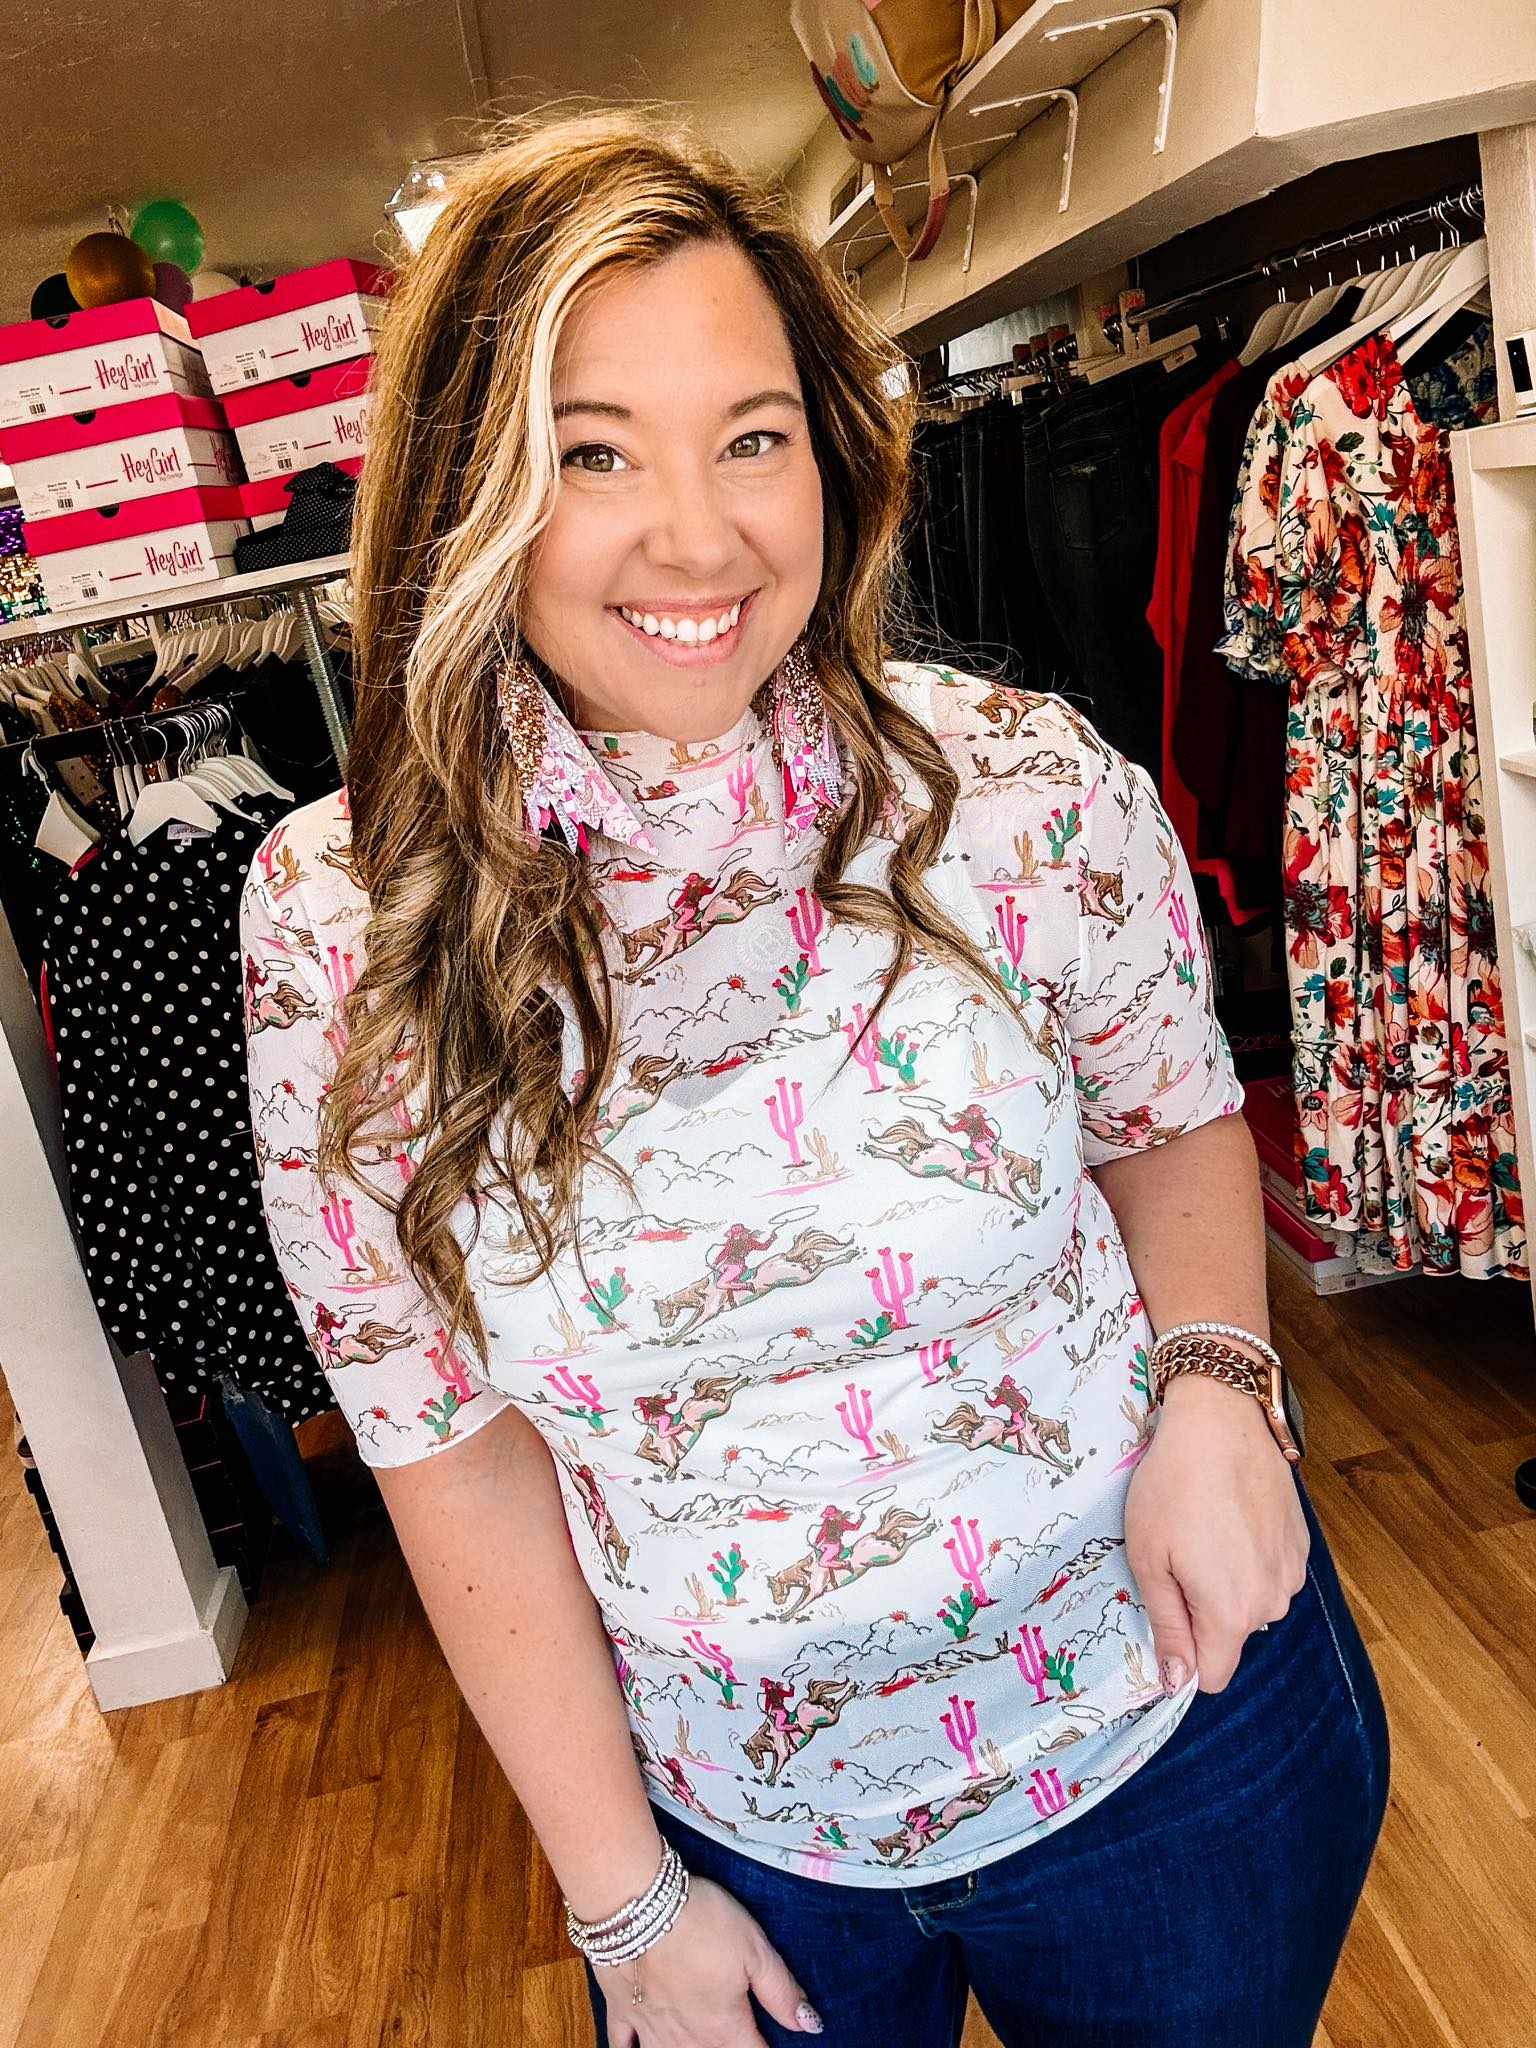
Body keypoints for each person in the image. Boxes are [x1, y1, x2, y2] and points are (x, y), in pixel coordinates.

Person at [240, 110, 1390, 2048]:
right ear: (468, 482)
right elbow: (442, 1438)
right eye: (592, 450)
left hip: (1171, 1732)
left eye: (750, 436)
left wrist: (1218, 1387)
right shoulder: (339, 926)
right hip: (732, 1843)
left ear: (833, 455)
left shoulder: (1017, 787)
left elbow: (1173, 1106)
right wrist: (619, 1909)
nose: (698, 537)